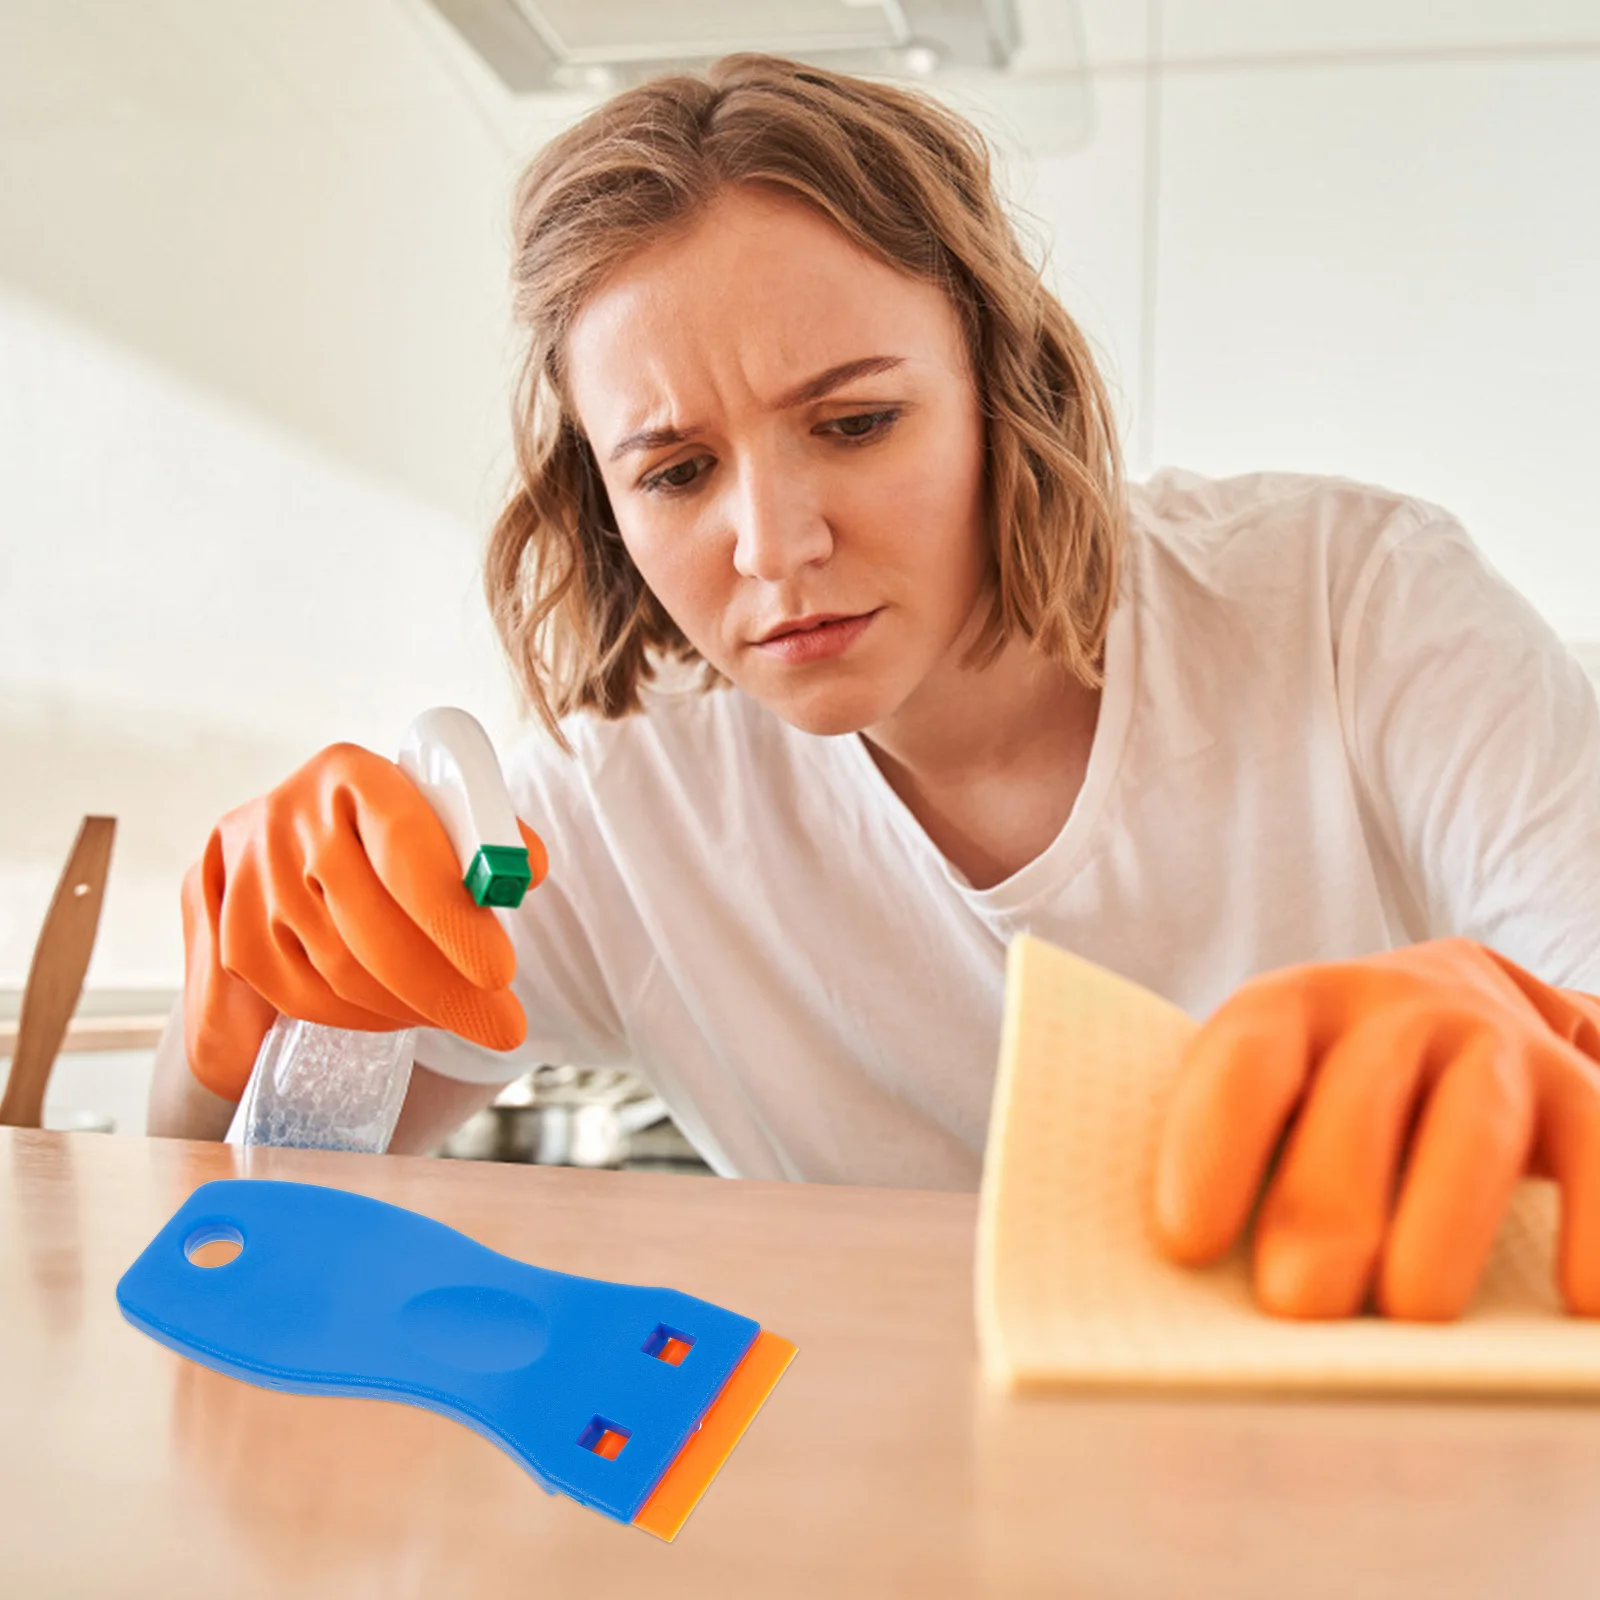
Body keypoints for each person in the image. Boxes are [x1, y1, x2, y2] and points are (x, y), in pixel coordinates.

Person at [147, 53, 1600, 1324]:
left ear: (999, 384)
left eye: (854, 422)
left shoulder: (1357, 602)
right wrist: (237, 1025)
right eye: (676, 471)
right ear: (601, 502)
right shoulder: (618, 811)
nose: (776, 546)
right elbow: (252, 1215)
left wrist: (1550, 1055)